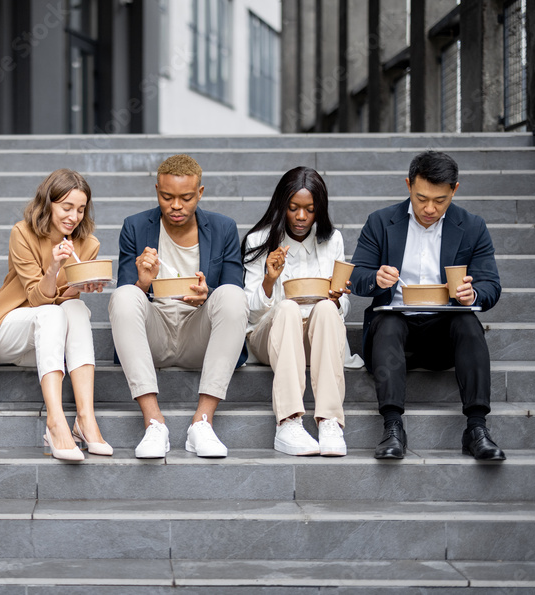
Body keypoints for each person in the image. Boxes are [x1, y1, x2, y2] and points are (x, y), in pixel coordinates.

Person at [351, 150, 505, 461]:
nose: (430, 208)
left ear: (455, 190)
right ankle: (393, 426)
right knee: (389, 321)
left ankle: (476, 428)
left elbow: (491, 285)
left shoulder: (472, 226)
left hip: (443, 331)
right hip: (394, 330)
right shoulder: (381, 222)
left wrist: (471, 294)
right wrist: (376, 279)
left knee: (468, 322)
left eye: (440, 200)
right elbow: (356, 277)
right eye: (422, 198)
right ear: (408, 185)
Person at [108, 154, 248, 459]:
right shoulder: (135, 227)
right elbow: (129, 300)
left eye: (185, 197)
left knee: (234, 296)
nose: (175, 205)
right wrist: (143, 282)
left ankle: (203, 422)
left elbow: (234, 285)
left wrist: (207, 294)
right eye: (167, 196)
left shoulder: (224, 228)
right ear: (157, 189)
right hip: (154, 331)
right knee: (123, 296)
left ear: (200, 193)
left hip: (200, 332)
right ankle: (154, 422)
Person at [0, 169, 112, 462]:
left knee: (74, 308)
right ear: (48, 203)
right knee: (51, 313)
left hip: (48, 339)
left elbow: (65, 301)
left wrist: (82, 286)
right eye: (66, 207)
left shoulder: (88, 245)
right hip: (8, 329)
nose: (74, 216)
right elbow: (37, 299)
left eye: (81, 209)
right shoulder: (22, 233)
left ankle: (85, 418)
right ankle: (55, 420)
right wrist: (55, 268)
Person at [242, 167, 361, 457]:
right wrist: (270, 280)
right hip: (271, 335)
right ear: (281, 205)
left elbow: (341, 309)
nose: (301, 217)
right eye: (293, 208)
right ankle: (288, 422)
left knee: (326, 308)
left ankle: (330, 420)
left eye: (310, 209)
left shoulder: (332, 240)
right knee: (287, 308)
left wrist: (336, 299)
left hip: (316, 337)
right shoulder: (259, 240)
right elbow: (250, 314)